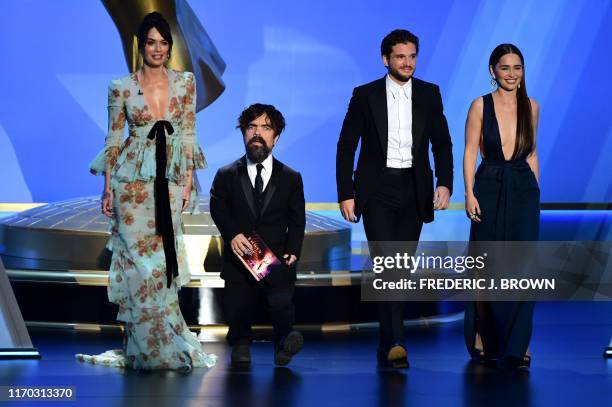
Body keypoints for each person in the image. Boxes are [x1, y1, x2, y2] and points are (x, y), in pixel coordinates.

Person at [76, 12, 216, 371]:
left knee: (163, 261)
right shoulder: (120, 86)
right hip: (130, 181)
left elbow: (188, 133)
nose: (157, 48)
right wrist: (107, 187)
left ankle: (165, 338)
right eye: (151, 42)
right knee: (137, 262)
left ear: (170, 47)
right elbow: (113, 137)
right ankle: (142, 343)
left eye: (163, 43)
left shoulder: (185, 82)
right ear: (141, 45)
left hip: (168, 179)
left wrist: (187, 182)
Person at [336, 29, 453, 369]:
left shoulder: (430, 94)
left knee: (401, 267)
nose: (408, 63)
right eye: (401, 56)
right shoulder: (365, 94)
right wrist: (346, 192)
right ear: (386, 59)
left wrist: (444, 182)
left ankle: (388, 340)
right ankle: (397, 340)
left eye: (413, 56)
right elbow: (347, 145)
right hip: (376, 189)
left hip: (413, 188)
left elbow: (442, 143)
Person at [210, 104, 306, 366]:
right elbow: (218, 208)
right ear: (243, 133)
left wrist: (293, 250)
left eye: (265, 127)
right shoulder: (226, 174)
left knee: (281, 303)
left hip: (276, 257)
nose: (257, 133)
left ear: (276, 137)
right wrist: (232, 234)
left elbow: (298, 220)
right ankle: (240, 344)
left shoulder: (291, 177)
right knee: (239, 305)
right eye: (251, 127)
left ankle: (284, 343)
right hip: (240, 258)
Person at [463, 43, 540, 369]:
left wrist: (536, 193)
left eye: (517, 67)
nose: (511, 74)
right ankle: (485, 334)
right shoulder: (480, 105)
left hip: (522, 186)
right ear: (493, 70)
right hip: (490, 185)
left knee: (523, 269)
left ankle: (518, 343)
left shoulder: (532, 106)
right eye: (505, 67)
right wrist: (469, 193)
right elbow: (469, 151)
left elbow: (532, 152)